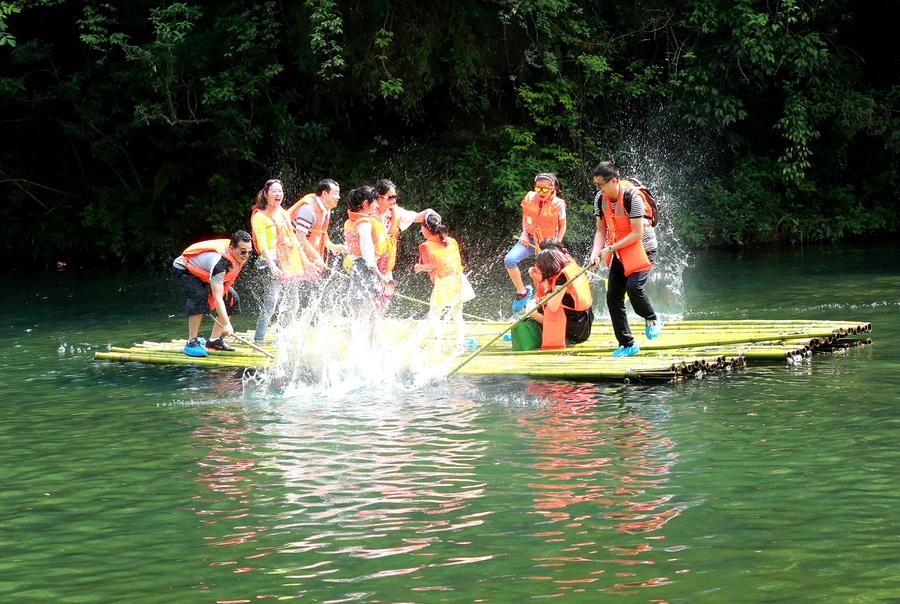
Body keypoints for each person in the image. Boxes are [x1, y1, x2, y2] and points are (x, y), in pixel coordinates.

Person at [589, 161, 661, 357]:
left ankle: (651, 317)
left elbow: (636, 234)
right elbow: (601, 230)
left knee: (634, 288)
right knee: (613, 297)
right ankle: (627, 344)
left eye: (601, 184)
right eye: (596, 185)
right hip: (620, 252)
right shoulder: (599, 199)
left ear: (614, 181)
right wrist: (595, 253)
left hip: (643, 249)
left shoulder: (633, 198)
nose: (598, 189)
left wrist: (609, 248)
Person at [171, 231, 253, 357]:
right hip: (184, 270)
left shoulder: (238, 256)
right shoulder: (220, 263)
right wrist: (226, 324)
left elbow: (224, 287)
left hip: (203, 274)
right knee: (199, 295)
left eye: (249, 251)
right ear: (232, 248)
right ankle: (191, 342)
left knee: (232, 299)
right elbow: (217, 297)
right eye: (243, 251)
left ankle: (214, 341)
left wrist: (226, 321)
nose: (246, 255)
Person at [250, 178, 310, 342]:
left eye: (280, 191)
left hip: (289, 261)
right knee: (271, 303)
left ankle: (287, 334)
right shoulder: (259, 217)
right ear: (266, 194)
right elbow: (262, 245)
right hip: (271, 261)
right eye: (274, 191)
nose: (278, 194)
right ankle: (259, 339)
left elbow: (294, 239)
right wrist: (272, 266)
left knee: (294, 302)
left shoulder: (283, 213)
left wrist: (306, 262)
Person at [413, 212, 476, 353]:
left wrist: (420, 268)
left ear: (428, 229)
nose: (420, 230)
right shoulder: (451, 241)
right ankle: (460, 345)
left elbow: (433, 266)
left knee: (434, 313)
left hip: (444, 281)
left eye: (422, 227)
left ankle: (439, 343)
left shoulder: (426, 246)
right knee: (457, 314)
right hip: (458, 278)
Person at [504, 172, 567, 312]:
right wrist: (524, 234)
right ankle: (522, 292)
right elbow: (525, 218)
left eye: (545, 189)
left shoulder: (558, 204)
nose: (541, 192)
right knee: (509, 260)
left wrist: (555, 245)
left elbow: (562, 226)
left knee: (542, 275)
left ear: (552, 188)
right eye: (538, 188)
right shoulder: (530, 198)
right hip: (530, 239)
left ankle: (544, 305)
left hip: (547, 245)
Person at [526, 239, 593, 349]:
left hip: (576, 330)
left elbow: (553, 306)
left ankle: (561, 334)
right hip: (585, 321)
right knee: (535, 304)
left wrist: (546, 286)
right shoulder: (571, 265)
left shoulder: (562, 278)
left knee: (530, 308)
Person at [374, 179, 434, 298]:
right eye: (390, 197)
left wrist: (429, 213)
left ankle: (377, 316)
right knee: (369, 296)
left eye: (395, 196)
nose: (394, 200)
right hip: (368, 262)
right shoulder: (368, 212)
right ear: (378, 197)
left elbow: (417, 217)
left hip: (385, 263)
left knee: (387, 295)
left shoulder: (396, 212)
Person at [343, 186, 392, 315]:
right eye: (375, 201)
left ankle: (355, 333)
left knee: (359, 306)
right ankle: (369, 335)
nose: (377, 205)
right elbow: (367, 256)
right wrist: (382, 277)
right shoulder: (364, 224)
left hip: (355, 266)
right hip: (364, 268)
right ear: (365, 204)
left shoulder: (352, 221)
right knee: (374, 306)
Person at [287, 178, 349, 274]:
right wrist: (316, 257)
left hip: (301, 256)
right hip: (288, 254)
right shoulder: (308, 210)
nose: (339, 197)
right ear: (324, 194)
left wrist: (334, 247)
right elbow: (299, 237)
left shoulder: (325, 210)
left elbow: (321, 234)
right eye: (335, 193)